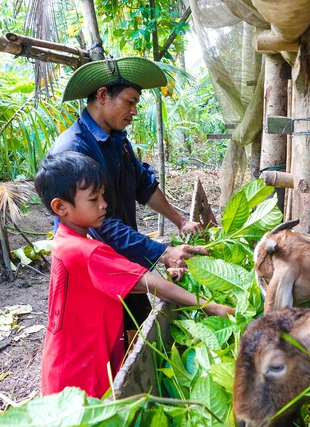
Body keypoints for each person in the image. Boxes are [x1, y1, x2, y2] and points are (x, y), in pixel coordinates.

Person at [34, 151, 234, 398]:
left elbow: (121, 283)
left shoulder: (65, 240)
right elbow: (152, 285)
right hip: (82, 379)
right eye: (93, 199)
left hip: (65, 366)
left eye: (103, 196)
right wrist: (211, 306)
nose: (104, 204)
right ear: (60, 206)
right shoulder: (87, 251)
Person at [49, 56, 208, 328]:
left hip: (124, 256)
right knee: (109, 336)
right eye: (130, 101)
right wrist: (163, 252)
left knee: (138, 325)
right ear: (102, 96)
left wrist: (180, 222)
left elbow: (143, 185)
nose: (134, 111)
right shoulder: (74, 149)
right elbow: (101, 225)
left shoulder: (117, 140)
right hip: (97, 266)